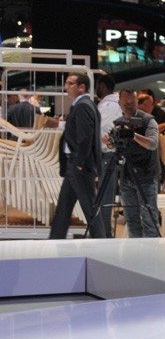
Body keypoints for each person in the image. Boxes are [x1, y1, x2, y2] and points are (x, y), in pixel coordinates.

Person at [49, 71, 105, 239]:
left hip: (79, 165)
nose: (66, 87)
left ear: (82, 87)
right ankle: (55, 239)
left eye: (70, 83)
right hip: (74, 164)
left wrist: (79, 163)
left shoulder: (83, 106)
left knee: (90, 207)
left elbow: (85, 137)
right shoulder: (84, 105)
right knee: (64, 207)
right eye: (66, 83)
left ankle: (101, 241)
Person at [103, 90, 161, 237]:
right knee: (131, 219)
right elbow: (117, 147)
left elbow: (153, 144)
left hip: (146, 176)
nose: (129, 105)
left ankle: (153, 249)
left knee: (149, 219)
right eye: (125, 102)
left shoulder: (148, 121)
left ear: (136, 102)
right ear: (120, 103)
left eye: (132, 101)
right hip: (126, 176)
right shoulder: (119, 123)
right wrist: (110, 143)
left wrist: (133, 135)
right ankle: (135, 248)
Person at [95, 73, 121, 238]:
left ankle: (104, 232)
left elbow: (96, 127)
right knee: (105, 194)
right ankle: (103, 231)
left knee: (105, 194)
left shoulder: (108, 106)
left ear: (103, 86)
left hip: (108, 154)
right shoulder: (110, 104)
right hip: (108, 154)